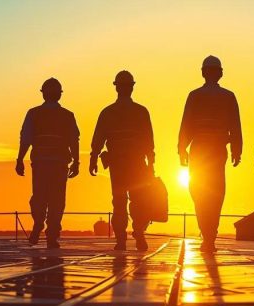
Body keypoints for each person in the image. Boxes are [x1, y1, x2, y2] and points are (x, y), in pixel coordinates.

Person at [178, 55, 243, 253]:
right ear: (220, 73)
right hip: (217, 151)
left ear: (203, 73)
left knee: (198, 191)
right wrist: (237, 149)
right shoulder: (228, 96)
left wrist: (181, 149)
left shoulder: (195, 96)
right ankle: (210, 234)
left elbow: (186, 124)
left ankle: (207, 233)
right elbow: (235, 125)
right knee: (216, 193)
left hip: (199, 150)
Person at [90, 70, 156, 251]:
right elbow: (149, 141)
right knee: (138, 200)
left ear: (117, 88)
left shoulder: (108, 112)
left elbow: (98, 138)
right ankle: (139, 233)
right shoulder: (141, 112)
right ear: (132, 88)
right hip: (136, 164)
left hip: (118, 165)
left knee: (119, 201)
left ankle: (121, 240)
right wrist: (151, 163)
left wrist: (93, 158)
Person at [16, 78, 80, 248]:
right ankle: (52, 235)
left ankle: (38, 223)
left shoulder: (34, 114)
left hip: (40, 163)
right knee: (57, 200)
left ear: (43, 94)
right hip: (59, 164)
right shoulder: (67, 116)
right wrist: (76, 162)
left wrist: (20, 159)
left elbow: (26, 138)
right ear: (59, 95)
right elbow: (74, 140)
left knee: (39, 197)